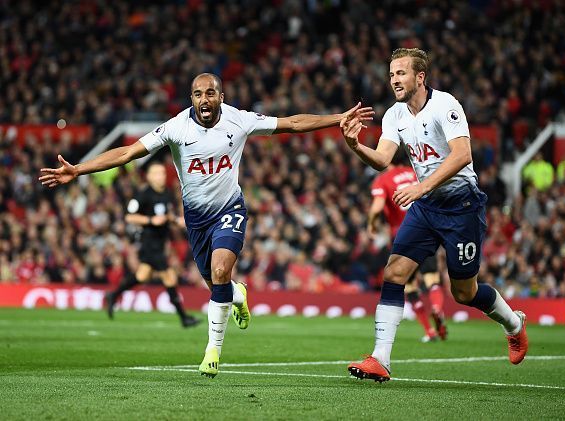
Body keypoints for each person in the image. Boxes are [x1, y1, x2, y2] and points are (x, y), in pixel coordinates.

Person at [40, 72, 373, 378]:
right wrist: (78, 170)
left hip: (230, 208)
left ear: (221, 97)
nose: (204, 99)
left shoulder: (239, 120)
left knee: (218, 272)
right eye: (197, 94)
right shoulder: (175, 127)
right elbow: (128, 153)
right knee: (219, 284)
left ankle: (212, 350)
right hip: (196, 220)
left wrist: (337, 118)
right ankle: (237, 294)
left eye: (210, 93)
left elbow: (293, 123)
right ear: (192, 99)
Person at [340, 48, 528, 382]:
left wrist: (421, 187)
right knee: (395, 272)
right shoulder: (395, 115)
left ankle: (514, 323)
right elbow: (383, 159)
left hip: (462, 207)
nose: (394, 80)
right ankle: (380, 359)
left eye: (401, 73)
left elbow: (462, 155)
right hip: (426, 208)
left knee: (464, 293)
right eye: (391, 74)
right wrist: (356, 146)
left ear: (420, 77)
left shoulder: (445, 105)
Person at [104, 162, 200, 328]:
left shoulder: (167, 194)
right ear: (149, 177)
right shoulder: (143, 195)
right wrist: (150, 220)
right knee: (169, 277)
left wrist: (176, 221)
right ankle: (183, 318)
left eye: (162, 173)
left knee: (142, 276)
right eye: (157, 173)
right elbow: (129, 217)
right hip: (149, 242)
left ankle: (113, 295)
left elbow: (166, 215)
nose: (161, 176)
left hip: (160, 242)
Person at [368, 154, 447, 343]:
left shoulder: (382, 180)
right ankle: (437, 308)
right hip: (427, 231)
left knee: (409, 286)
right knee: (432, 279)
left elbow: (377, 208)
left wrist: (371, 224)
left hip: (403, 236)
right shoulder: (416, 173)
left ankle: (429, 331)